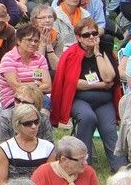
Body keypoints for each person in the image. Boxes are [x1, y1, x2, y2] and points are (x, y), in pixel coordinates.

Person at [50, 18, 125, 171]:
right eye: (86, 35)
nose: (91, 37)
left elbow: (109, 77)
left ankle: (120, 168)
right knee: (87, 118)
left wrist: (97, 53)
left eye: (94, 33)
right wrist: (100, 85)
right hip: (80, 100)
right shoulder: (71, 54)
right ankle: (83, 165)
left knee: (109, 128)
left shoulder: (104, 50)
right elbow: (74, 83)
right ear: (78, 37)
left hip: (104, 101)